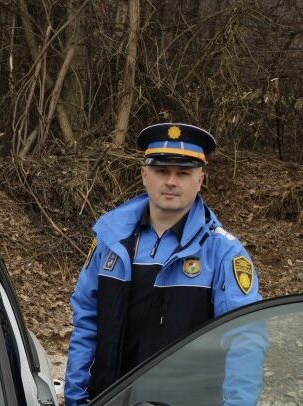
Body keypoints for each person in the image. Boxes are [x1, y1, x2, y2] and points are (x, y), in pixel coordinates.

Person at [65, 123, 264, 406]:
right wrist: (76, 397)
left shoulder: (222, 251)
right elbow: (86, 321)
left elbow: (245, 339)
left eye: (183, 173)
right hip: (110, 399)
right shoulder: (110, 238)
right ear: (144, 175)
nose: (171, 181)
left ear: (200, 180)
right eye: (161, 171)